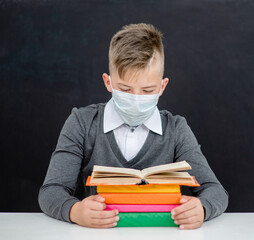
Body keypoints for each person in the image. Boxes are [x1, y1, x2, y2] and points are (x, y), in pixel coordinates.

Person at [38, 23, 228, 230]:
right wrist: (75, 211)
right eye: (125, 89)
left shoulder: (176, 129)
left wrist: (202, 208)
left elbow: (215, 191)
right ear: (108, 82)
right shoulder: (82, 123)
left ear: (162, 86)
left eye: (147, 90)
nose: (136, 99)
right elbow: (51, 191)